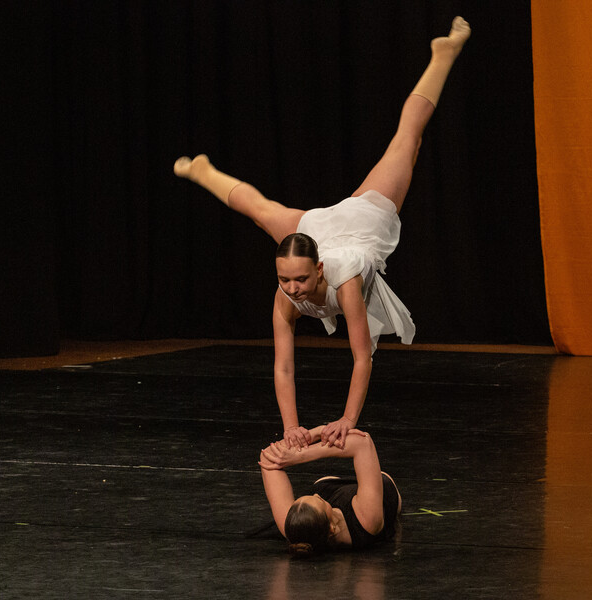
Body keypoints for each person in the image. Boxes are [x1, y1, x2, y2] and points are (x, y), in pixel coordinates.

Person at [175, 17, 471, 451]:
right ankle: (204, 171)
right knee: (261, 212)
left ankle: (443, 54)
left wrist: (347, 420)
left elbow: (362, 357)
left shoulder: (344, 279)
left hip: (363, 223)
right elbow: (283, 367)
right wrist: (291, 427)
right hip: (319, 229)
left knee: (408, 139)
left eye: (299, 279)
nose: (292, 289)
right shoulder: (285, 292)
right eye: (284, 279)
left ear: (318, 269)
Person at [259, 426, 402, 557]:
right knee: (380, 478)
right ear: (332, 529)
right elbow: (363, 442)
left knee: (320, 489)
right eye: (319, 501)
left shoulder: (295, 528)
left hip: (329, 487)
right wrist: (300, 456)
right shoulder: (368, 520)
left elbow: (268, 456)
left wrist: (318, 433)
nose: (316, 495)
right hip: (382, 490)